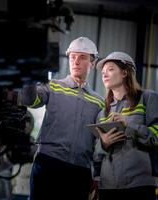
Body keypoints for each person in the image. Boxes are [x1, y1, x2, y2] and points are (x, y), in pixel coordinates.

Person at [20, 37, 104, 200]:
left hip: (80, 171)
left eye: (82, 57)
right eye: (72, 57)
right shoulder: (53, 86)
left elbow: (100, 142)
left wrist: (97, 175)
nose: (76, 61)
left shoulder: (98, 101)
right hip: (48, 163)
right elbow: (29, 100)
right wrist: (30, 75)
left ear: (92, 63)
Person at [94, 51, 158, 200]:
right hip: (107, 186)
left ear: (124, 72)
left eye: (110, 69)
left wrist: (128, 123)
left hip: (139, 185)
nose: (104, 74)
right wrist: (103, 144)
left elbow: (155, 138)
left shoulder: (148, 98)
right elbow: (95, 154)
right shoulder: (103, 113)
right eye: (103, 72)